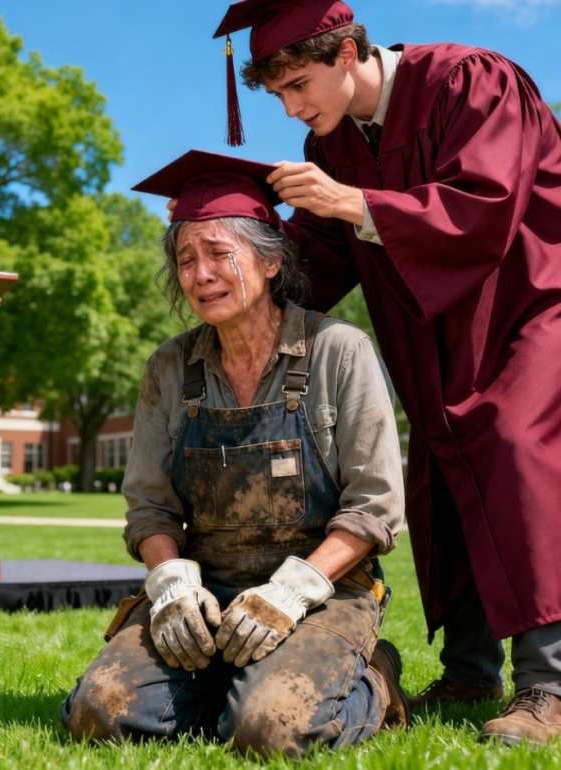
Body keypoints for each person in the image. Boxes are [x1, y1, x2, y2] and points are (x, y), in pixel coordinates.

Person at [204, 0, 561, 746]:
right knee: (447, 469)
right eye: (278, 94)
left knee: (516, 454)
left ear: (346, 53)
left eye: (298, 84)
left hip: (522, 312)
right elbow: (321, 255)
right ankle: (471, 671)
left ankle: (550, 686)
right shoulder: (332, 142)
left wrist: (354, 201)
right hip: (431, 334)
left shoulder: (471, 80)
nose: (291, 107)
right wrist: (244, 287)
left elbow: (487, 206)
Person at [61, 150, 408, 758]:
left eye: (219, 253)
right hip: (205, 596)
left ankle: (375, 675)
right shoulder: (170, 367)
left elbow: (375, 507)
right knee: (97, 713)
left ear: (271, 262)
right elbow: (149, 506)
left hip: (322, 592)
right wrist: (170, 583)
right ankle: (231, 683)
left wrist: (291, 592)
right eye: (185, 259)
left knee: (268, 731)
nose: (201, 274)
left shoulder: (340, 351)